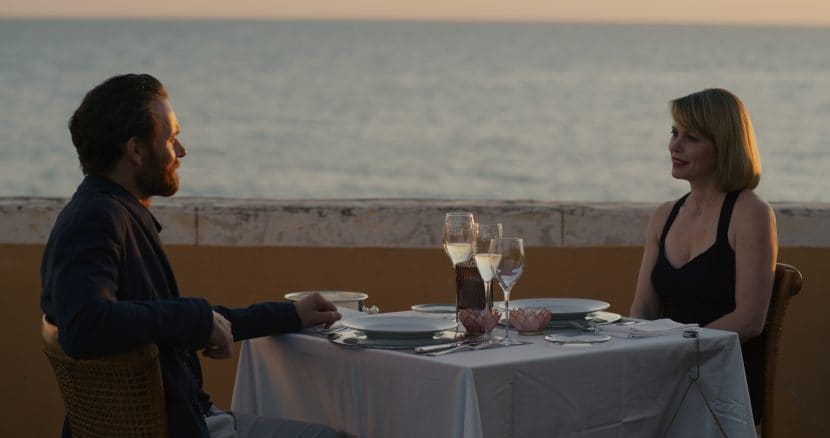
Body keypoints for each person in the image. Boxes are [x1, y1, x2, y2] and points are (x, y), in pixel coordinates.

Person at [40, 73, 343, 437]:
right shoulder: (95, 219)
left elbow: (159, 319)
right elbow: (85, 327)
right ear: (136, 150)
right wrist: (194, 317)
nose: (181, 151)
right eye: (170, 138)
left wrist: (289, 314)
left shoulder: (113, 211)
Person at [629, 88, 778, 424]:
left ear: (723, 146)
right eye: (674, 133)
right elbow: (643, 309)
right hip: (668, 371)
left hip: (721, 381)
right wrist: (637, 354)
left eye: (691, 137)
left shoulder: (749, 212)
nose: (674, 146)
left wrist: (679, 351)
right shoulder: (664, 214)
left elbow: (749, 320)